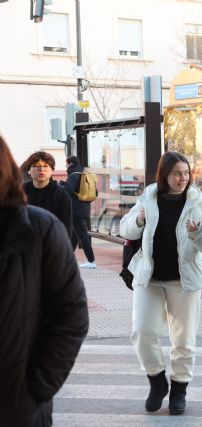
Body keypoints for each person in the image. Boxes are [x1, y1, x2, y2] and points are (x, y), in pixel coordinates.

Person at [119, 151, 202, 416]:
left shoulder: (196, 201)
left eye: (186, 173)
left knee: (183, 339)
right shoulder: (149, 196)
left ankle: (179, 390)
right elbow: (125, 227)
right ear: (164, 174)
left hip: (184, 281)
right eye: (177, 173)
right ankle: (156, 381)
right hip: (149, 278)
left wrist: (198, 233)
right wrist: (139, 220)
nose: (182, 178)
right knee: (142, 331)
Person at [0, 135, 89, 427]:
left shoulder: (45, 221)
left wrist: (35, 390)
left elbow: (71, 316)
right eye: (35, 166)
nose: (40, 170)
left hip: (15, 406)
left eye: (44, 166)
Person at [23, 151, 73, 239]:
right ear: (29, 170)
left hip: (51, 244)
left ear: (52, 170)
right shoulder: (21, 192)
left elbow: (66, 225)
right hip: (26, 244)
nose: (41, 169)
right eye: (37, 166)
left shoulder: (61, 194)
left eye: (46, 166)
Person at [63, 155, 97, 269]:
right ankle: (68, 259)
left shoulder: (73, 175)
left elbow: (68, 190)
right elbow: (95, 193)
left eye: (67, 164)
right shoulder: (85, 174)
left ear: (70, 164)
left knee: (82, 235)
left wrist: (61, 184)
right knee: (74, 234)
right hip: (85, 209)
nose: (66, 166)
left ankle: (91, 261)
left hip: (75, 210)